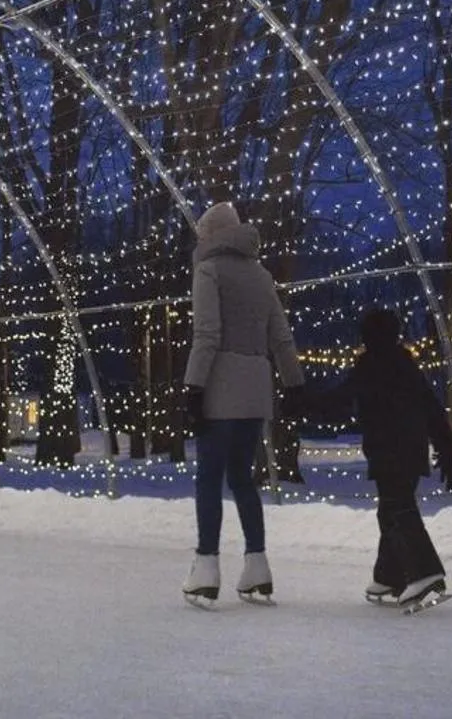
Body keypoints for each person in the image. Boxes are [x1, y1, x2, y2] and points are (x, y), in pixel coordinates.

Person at [179, 202, 304, 607]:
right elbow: (281, 337)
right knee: (243, 479)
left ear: (211, 235)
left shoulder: (208, 270)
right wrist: (295, 385)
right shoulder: (260, 274)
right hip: (256, 391)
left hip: (220, 388)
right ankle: (257, 566)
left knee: (209, 477)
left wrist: (193, 387)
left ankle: (206, 567)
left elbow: (208, 334)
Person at [344, 308, 452, 611]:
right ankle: (389, 575)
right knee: (390, 510)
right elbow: (432, 407)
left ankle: (425, 572)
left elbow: (341, 398)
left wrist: (300, 401)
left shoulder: (369, 364)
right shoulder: (406, 363)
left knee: (398, 508)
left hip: (388, 449)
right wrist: (446, 451)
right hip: (411, 448)